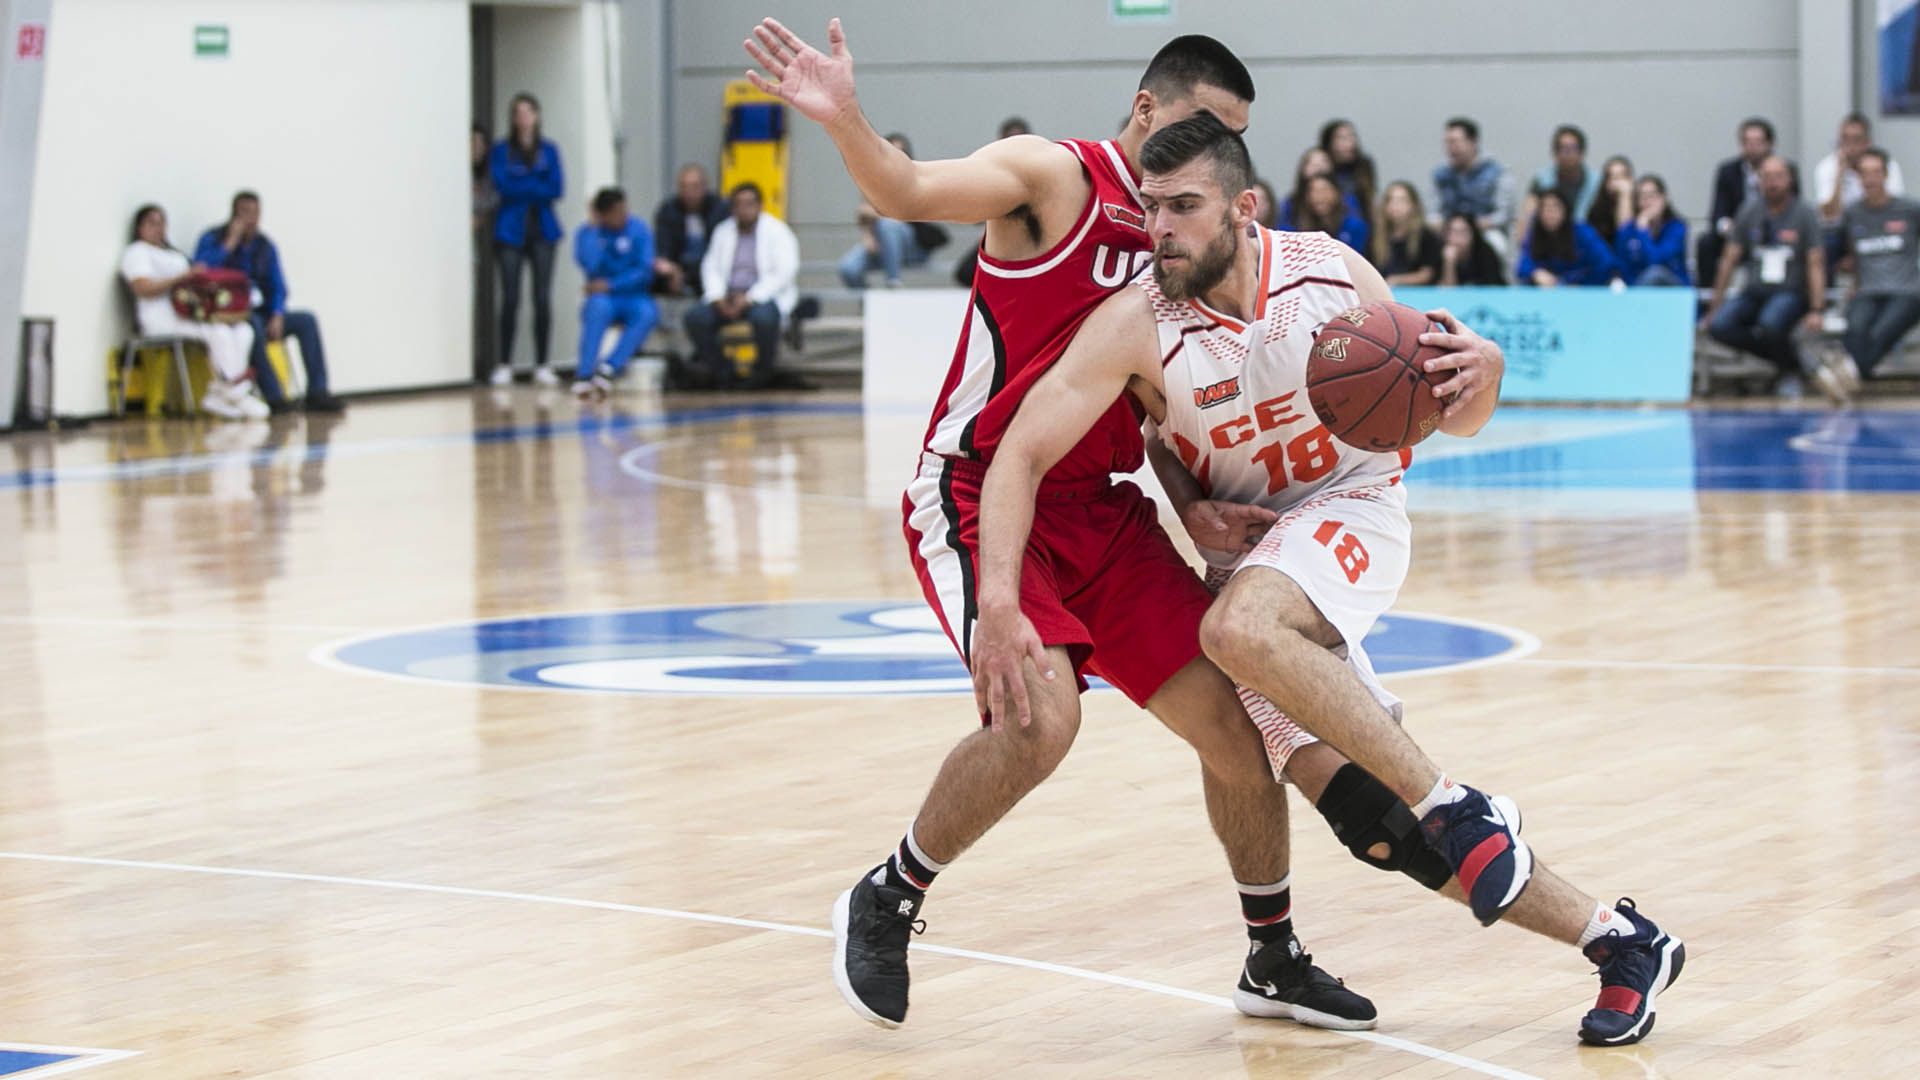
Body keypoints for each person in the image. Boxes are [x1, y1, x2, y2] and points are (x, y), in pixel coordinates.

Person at [748, 20, 1406, 1033]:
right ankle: (890, 892)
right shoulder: (1054, 180)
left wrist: (1188, 503)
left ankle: (1271, 956)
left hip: (1102, 503)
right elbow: (907, 192)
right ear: (1147, 113)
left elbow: (1151, 404)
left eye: (1233, 145)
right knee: (1040, 719)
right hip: (979, 493)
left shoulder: (1185, 241)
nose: (1217, 164)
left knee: (1236, 729)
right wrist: (846, 121)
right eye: (1203, 130)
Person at [983, 110, 1684, 1048]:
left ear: (1245, 207)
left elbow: (1446, 415)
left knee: (1232, 632)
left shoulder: (1329, 275)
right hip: (1252, 559)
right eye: (1150, 209)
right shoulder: (1137, 326)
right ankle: (1622, 941)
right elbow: (1019, 455)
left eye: (1184, 208)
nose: (1160, 230)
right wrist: (1026, 581)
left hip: (1350, 513)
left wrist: (1490, 370)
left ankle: (1459, 802)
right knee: (1374, 823)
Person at [193, 191, 346, 414]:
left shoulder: (265, 246)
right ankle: (274, 398)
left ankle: (317, 392)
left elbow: (278, 285)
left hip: (264, 310)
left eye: (255, 213)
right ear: (233, 215)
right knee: (253, 325)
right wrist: (230, 243)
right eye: (245, 213)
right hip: (233, 312)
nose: (250, 219)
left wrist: (277, 313)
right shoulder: (213, 238)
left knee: (307, 321)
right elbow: (200, 272)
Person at [120, 204, 266, 420]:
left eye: (162, 222)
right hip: (160, 319)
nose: (158, 228)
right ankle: (236, 393)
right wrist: (181, 278)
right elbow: (142, 288)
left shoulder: (174, 255)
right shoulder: (137, 252)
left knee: (243, 329)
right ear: (139, 227)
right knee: (219, 333)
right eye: (151, 223)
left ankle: (223, 391)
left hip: (189, 315)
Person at [1705, 155, 1827, 397]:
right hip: (1754, 291)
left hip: (1790, 291)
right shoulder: (1749, 211)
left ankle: (1789, 369)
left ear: (1790, 179)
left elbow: (1816, 262)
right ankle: (1793, 362)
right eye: (1766, 176)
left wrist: (1817, 308)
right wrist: (1715, 305)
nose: (1772, 182)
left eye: (1778, 176)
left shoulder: (1805, 213)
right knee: (1720, 325)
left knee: (1770, 323)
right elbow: (1729, 259)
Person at [683, 182, 797, 390]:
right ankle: (725, 372)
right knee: (695, 318)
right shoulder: (723, 231)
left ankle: (762, 373)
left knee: (764, 319)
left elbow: (784, 272)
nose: (743, 210)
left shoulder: (777, 231)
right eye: (738, 204)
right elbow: (711, 267)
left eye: (749, 204)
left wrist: (750, 298)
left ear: (760, 205)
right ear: (732, 207)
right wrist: (717, 298)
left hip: (762, 296)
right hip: (727, 296)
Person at [489, 92, 565, 388]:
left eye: (527, 112)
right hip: (510, 231)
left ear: (537, 115)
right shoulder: (501, 151)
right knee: (510, 297)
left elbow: (556, 188)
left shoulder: (549, 150)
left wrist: (524, 184)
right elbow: (503, 187)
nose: (522, 118)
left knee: (542, 297)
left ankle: (543, 363)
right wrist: (534, 183)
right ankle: (504, 362)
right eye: (517, 112)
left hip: (542, 230)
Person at [1834, 148, 1920, 390]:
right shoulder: (1853, 213)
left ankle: (1845, 376)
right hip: (1867, 290)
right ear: (1858, 178)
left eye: (1875, 172)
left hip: (1907, 291)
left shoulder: (1910, 209)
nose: (1870, 179)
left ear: (1886, 175)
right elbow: (1846, 251)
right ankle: (1853, 375)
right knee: (1855, 328)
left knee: (1881, 331)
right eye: (1864, 173)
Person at [571, 187, 658, 398]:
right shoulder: (588, 233)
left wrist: (612, 284)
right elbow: (589, 265)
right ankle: (584, 374)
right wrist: (593, 230)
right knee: (597, 307)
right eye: (616, 211)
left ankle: (610, 368)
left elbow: (645, 271)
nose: (622, 215)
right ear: (603, 214)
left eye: (623, 209)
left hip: (633, 295)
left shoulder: (638, 229)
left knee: (648, 312)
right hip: (603, 298)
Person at [839, 133, 948, 288]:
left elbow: (903, 212)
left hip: (913, 246)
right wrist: (868, 238)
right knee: (848, 268)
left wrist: (877, 213)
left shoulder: (917, 177)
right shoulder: (871, 179)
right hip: (881, 243)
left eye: (900, 153)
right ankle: (868, 301)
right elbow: (863, 214)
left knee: (889, 225)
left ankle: (893, 280)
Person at [1700, 117, 1798, 285]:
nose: (1752, 147)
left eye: (1758, 141)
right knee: (1706, 243)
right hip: (1738, 233)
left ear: (1769, 144)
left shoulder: (1785, 168)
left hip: (1775, 233)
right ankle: (1708, 300)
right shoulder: (1727, 171)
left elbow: (1794, 208)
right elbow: (1718, 214)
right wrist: (1728, 226)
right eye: (1747, 142)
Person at [1816, 112, 1907, 267]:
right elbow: (1829, 216)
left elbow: (1894, 208)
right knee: (1825, 239)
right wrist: (1840, 174)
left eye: (1856, 139)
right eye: (1845, 139)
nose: (1850, 146)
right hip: (1844, 231)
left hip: (1880, 226)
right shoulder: (1827, 167)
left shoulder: (1887, 166)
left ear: (1867, 143)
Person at [1431, 117, 1516, 254]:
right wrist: (1439, 223)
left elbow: (1504, 214)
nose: (1450, 148)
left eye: (1455, 142)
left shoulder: (1496, 172)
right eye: (1447, 142)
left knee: (1496, 243)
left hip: (1484, 230)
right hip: (1449, 230)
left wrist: (1482, 223)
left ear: (1473, 143)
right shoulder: (1441, 174)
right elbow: (1433, 211)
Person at [652, 163, 726, 298]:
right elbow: (664, 245)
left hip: (709, 265)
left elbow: (722, 248)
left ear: (705, 186)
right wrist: (671, 268)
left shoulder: (720, 209)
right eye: (684, 187)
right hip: (679, 266)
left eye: (694, 187)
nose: (689, 193)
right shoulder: (668, 210)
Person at [1516, 188, 1615, 286]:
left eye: (1555, 207)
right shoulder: (1535, 235)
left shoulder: (1582, 232)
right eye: (1545, 208)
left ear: (1565, 210)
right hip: (1549, 294)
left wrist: (1585, 285)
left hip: (1583, 292)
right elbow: (1522, 267)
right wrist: (1535, 273)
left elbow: (1606, 262)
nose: (1550, 212)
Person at [1614, 176, 1689, 287]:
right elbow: (1623, 268)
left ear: (1664, 198)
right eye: (1642, 197)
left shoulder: (1677, 228)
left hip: (1674, 289)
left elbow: (1656, 260)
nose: (1648, 202)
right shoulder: (1627, 231)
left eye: (1652, 196)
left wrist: (1643, 232)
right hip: (1638, 289)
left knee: (1655, 273)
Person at [1370, 181, 1441, 285]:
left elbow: (1427, 274)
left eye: (1401, 200)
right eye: (1390, 200)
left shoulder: (1425, 234)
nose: (1395, 205)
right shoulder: (1376, 235)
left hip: (1417, 293)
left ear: (1413, 205)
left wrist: (1397, 280)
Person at [1527, 124, 1600, 223]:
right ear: (1554, 153)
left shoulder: (1597, 182)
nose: (1568, 154)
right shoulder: (1542, 180)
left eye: (1573, 148)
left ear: (1582, 152)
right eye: (1563, 148)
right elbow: (1528, 216)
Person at [1277, 147, 1362, 229]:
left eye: (1323, 163)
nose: (1318, 168)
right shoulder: (1290, 205)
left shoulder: (1348, 203)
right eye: (1313, 164)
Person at [1283, 174, 1368, 252]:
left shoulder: (1354, 227)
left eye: (1324, 190)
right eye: (1313, 191)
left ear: (1337, 193)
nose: (1319, 196)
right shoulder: (1296, 230)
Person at [1319, 119, 1377, 232]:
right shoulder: (1322, 167)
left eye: (1352, 137)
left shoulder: (1363, 168)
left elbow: (1369, 201)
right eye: (1342, 138)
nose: (1349, 143)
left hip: (1361, 228)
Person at [1438, 212, 1508, 286]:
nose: (1458, 238)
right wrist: (1449, 264)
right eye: (1454, 232)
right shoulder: (1439, 252)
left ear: (1473, 234)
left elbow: (1493, 287)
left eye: (1463, 232)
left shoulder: (1485, 252)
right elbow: (1447, 293)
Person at [1585, 155, 1634, 248]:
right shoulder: (1597, 212)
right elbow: (1623, 234)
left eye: (1622, 177)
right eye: (1614, 178)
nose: (1619, 183)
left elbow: (1629, 238)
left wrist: (1625, 196)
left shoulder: (1641, 204)